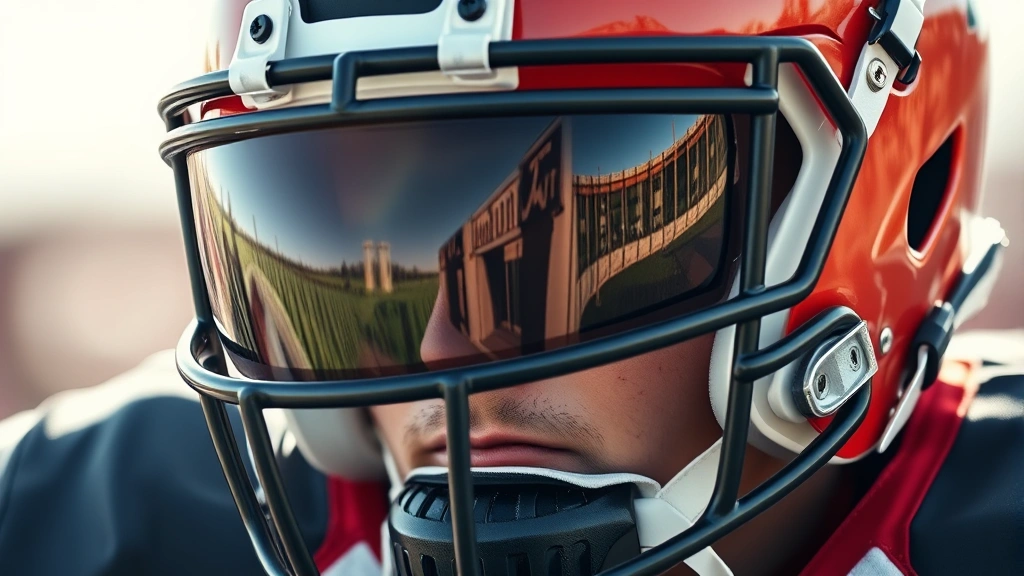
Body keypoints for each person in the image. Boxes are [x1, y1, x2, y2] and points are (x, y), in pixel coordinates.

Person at [1, 0, 1021, 574]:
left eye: (558, 275)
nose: (440, 353)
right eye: (381, 269)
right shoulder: (93, 521)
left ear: (896, 202)